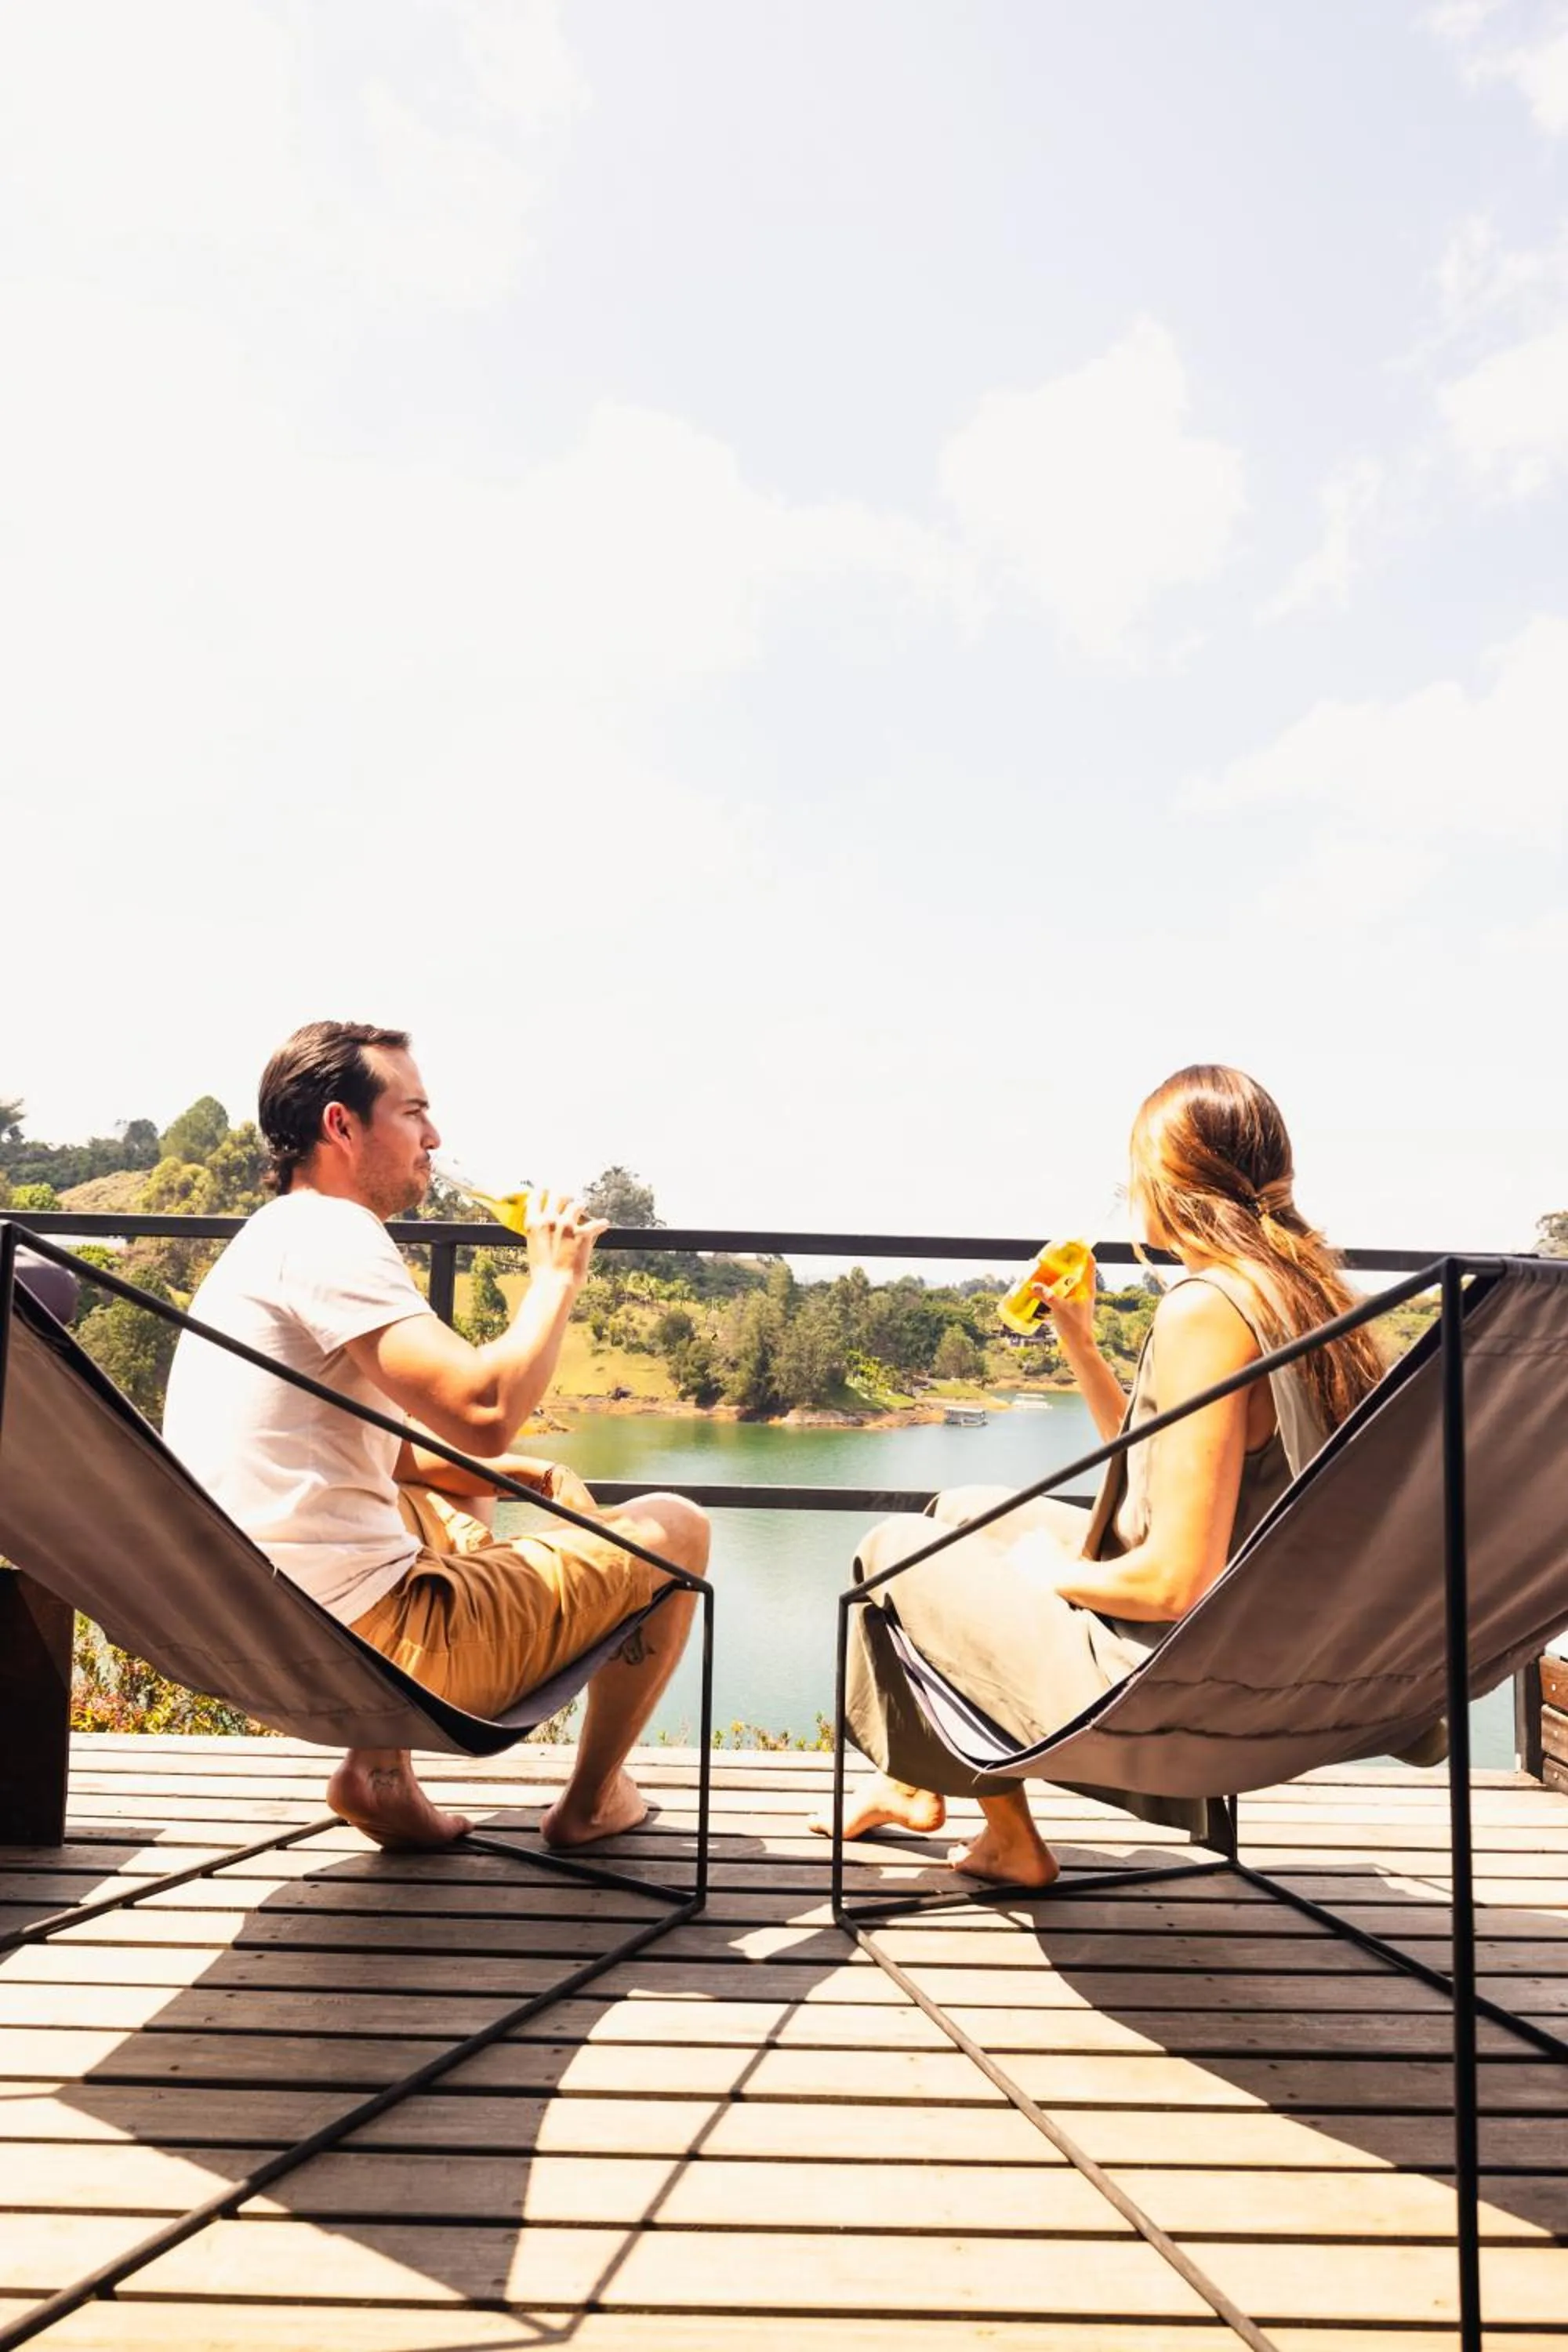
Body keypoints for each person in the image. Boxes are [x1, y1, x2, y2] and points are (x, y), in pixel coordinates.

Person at [815, 1064, 1389, 1889]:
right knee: (964, 1510)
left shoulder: (1205, 1308)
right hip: (1277, 1657)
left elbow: (1171, 1585)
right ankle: (931, 1792)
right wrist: (1081, 1342)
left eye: (1132, 1170)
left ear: (1169, 1179)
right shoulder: (1303, 1294)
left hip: (1177, 1680)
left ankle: (978, 1819)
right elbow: (1158, 1468)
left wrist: (1054, 1574)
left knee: (894, 1550)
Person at [162, 1019, 710, 1852]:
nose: (435, 1136)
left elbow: (393, 1442)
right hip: (372, 1648)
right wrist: (554, 1278)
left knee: (456, 1479)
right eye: (413, 1111)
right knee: (678, 1527)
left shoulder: (269, 1239)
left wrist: (497, 1466)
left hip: (246, 1625)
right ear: (341, 1126)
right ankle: (592, 1802)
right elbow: (483, 1411)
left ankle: (379, 1776)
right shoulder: (333, 1234)